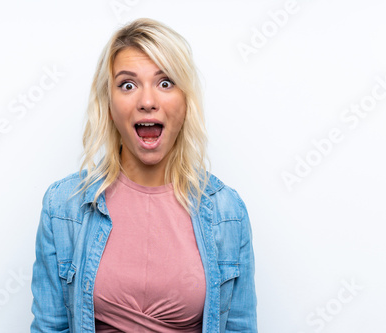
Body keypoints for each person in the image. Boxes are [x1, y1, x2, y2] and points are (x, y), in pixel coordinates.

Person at [30, 18, 257, 333]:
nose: (147, 102)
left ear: (186, 102)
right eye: (127, 84)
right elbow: (49, 327)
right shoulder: (63, 207)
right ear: (109, 105)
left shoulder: (227, 212)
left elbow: (239, 327)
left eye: (165, 83)